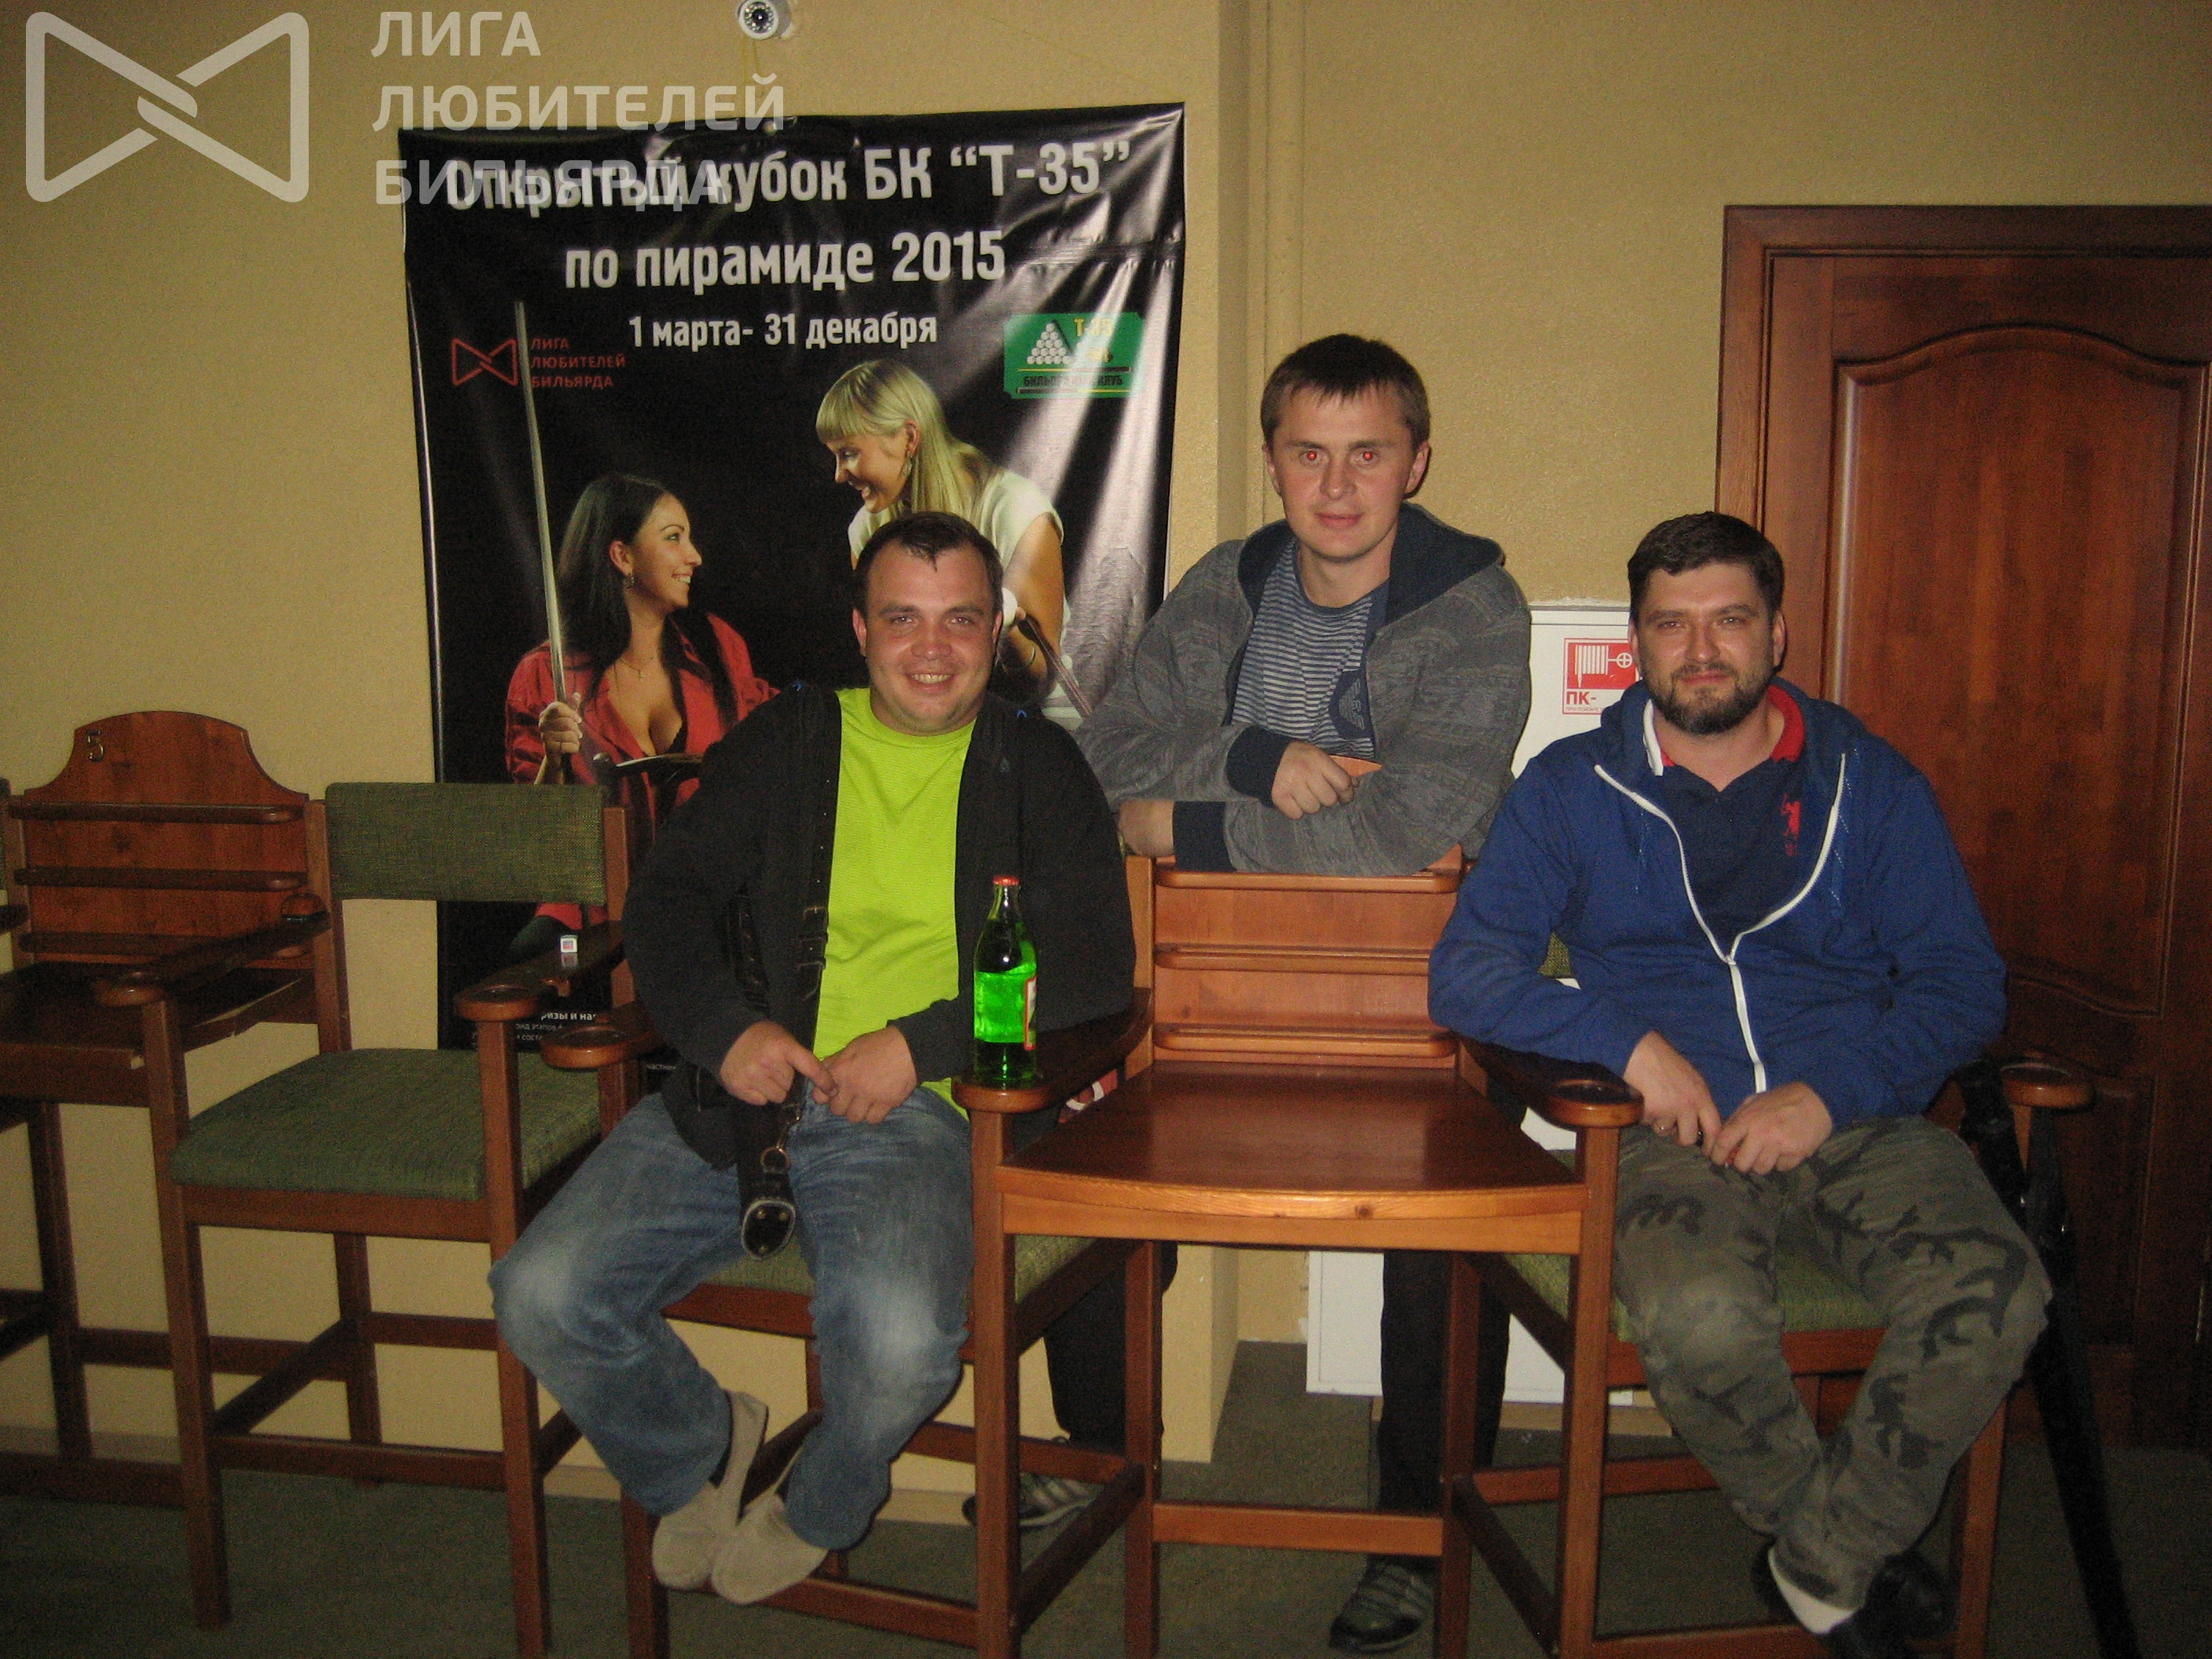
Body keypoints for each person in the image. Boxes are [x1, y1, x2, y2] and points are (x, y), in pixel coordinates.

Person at [1428, 512, 2049, 1659]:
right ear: (1637, 641)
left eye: (1728, 620)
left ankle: (1819, 1565)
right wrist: (1624, 1041)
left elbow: (1963, 984)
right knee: (1699, 1318)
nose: (1700, 650)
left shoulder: (1871, 783)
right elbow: (1464, 973)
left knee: (1999, 1290)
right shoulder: (1569, 788)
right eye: (1671, 625)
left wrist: (1832, 1091)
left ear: (1777, 634)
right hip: (1671, 1136)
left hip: (1863, 1120)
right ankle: (1849, 1567)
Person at [491, 511, 1133, 1603]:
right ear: (860, 630)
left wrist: (921, 1045)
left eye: (960, 620)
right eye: (902, 619)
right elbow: (667, 901)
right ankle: (702, 1449)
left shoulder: (1039, 764)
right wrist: (725, 1030)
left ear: (994, 631)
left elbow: (1093, 966)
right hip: (741, 1094)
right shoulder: (787, 738)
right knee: (541, 1295)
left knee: (900, 1348)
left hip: (924, 1113)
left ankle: (822, 1500)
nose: (931, 648)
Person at [1079, 334, 1532, 1654]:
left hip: (1425, 994)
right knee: (1085, 1162)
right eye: (1309, 454)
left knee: (1445, 1233)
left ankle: (1418, 1524)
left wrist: (1179, 822)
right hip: (1213, 984)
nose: (1337, 487)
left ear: (1417, 462)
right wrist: (1256, 755)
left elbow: (1406, 830)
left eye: (1367, 453)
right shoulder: (1224, 584)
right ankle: (1096, 1461)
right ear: (1274, 461)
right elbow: (1103, 756)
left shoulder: (1475, 603)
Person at [504, 473, 773, 942]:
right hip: (596, 913)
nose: (694, 556)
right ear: (622, 556)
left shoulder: (718, 646)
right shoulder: (546, 673)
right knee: (529, 956)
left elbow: (770, 751)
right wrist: (553, 757)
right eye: (673, 538)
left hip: (711, 905)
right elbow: (535, 844)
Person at [816, 359, 1077, 724]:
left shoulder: (1015, 510)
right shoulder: (867, 528)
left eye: (849, 454)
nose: (840, 475)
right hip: (935, 722)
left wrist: (1007, 634)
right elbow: (881, 653)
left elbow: (1041, 681)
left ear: (909, 438)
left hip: (1040, 725)